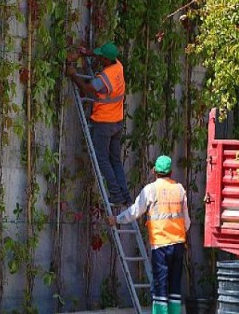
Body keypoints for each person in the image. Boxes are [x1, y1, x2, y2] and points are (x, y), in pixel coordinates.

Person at [107, 155, 190, 314]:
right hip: (178, 244)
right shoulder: (179, 189)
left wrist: (116, 219)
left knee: (160, 286)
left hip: (160, 246)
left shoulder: (150, 190)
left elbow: (134, 212)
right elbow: (187, 222)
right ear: (171, 172)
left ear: (154, 171)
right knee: (174, 288)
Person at [66, 41, 131, 205]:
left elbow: (88, 89)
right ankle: (124, 194)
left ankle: (115, 194)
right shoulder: (118, 67)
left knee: (103, 159)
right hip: (117, 121)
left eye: (101, 57)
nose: (100, 59)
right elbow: (104, 55)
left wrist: (73, 74)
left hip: (104, 122)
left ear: (107, 60)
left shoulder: (104, 79)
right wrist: (88, 52)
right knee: (115, 160)